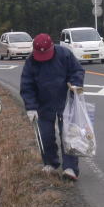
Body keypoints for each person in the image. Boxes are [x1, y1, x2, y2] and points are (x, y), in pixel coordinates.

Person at [20, 33, 85, 181]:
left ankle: (70, 168)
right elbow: (27, 85)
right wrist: (31, 107)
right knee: (45, 135)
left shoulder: (64, 54)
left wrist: (75, 84)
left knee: (68, 134)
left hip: (65, 99)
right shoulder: (31, 62)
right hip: (43, 103)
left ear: (52, 47)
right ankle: (50, 163)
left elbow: (77, 70)